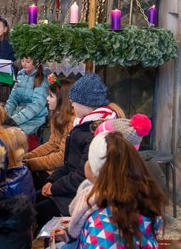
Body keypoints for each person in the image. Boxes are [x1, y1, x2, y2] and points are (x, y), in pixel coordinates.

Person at [53, 127, 164, 249]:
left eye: (89, 159)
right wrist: (68, 235)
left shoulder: (101, 224)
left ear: (96, 172)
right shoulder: (139, 196)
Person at [35, 73, 118, 229]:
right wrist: (52, 180)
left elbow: (82, 176)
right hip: (68, 186)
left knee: (35, 212)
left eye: (74, 101)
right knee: (31, 200)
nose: (71, 104)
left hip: (80, 195)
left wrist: (54, 187)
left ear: (86, 104)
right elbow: (68, 164)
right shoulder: (80, 125)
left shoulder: (94, 134)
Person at [24, 74, 74, 189]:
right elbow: (51, 144)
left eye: (51, 96)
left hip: (62, 173)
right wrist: (26, 157)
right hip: (53, 168)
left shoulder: (71, 122)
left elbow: (62, 158)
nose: (47, 99)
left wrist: (30, 164)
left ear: (62, 100)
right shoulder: (58, 115)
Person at [4, 56, 48, 149]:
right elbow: (12, 99)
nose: (24, 64)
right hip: (18, 113)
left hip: (35, 116)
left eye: (27, 61)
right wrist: (5, 115)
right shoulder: (20, 75)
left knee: (15, 135)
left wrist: (16, 119)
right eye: (22, 61)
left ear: (36, 62)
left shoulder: (41, 77)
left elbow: (37, 105)